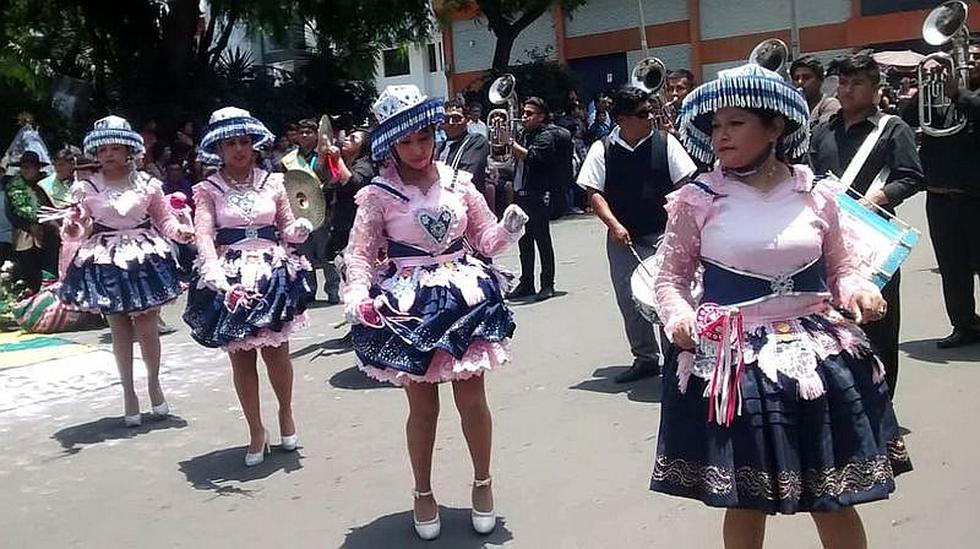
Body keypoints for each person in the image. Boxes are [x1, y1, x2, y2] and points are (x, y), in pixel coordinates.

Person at [651, 62, 912, 549]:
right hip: (735, 364)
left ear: (774, 127)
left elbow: (842, 268)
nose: (720, 136)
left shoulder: (817, 193)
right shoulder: (697, 198)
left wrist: (858, 291)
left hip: (817, 360)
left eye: (736, 123)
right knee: (746, 502)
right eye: (715, 125)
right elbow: (670, 279)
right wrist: (679, 317)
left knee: (832, 496)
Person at [343, 85, 528, 540]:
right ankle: (422, 491)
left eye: (424, 137)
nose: (417, 149)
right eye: (406, 141)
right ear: (390, 143)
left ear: (435, 133)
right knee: (422, 407)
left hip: (463, 295)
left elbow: (484, 241)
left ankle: (483, 483)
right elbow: (360, 254)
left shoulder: (459, 182)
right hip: (410, 306)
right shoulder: (377, 194)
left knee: (472, 400)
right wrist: (357, 295)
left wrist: (508, 230)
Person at [182, 107, 314, 466]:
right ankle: (256, 429)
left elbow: (286, 227)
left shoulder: (273, 181)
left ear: (255, 144)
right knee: (241, 359)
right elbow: (204, 233)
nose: (238, 149)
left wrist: (298, 230)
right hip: (231, 277)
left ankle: (286, 413)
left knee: (277, 354)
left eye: (244, 142)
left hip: (272, 272)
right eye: (229, 143)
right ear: (218, 148)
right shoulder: (207, 189)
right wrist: (211, 270)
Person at [59, 116, 194, 426]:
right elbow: (80, 228)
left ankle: (154, 384)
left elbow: (164, 220)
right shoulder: (85, 187)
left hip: (144, 256)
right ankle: (128, 393)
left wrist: (182, 232)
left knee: (147, 327)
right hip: (106, 258)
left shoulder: (148, 183)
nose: (109, 154)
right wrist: (74, 224)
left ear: (129, 150)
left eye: (116, 148)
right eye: (103, 149)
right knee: (118, 327)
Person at [809, 51, 924, 397]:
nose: (847, 90)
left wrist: (874, 199)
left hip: (873, 241)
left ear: (874, 89)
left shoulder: (892, 129)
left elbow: (912, 176)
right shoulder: (821, 132)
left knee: (879, 327)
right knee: (832, 326)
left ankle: (882, 405)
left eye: (857, 83)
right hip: (829, 242)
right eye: (843, 83)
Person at [577, 86, 697, 383]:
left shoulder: (665, 143)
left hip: (662, 233)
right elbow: (594, 193)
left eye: (650, 111)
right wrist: (614, 225)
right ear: (622, 119)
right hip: (622, 237)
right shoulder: (602, 148)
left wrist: (677, 223)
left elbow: (685, 183)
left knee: (667, 297)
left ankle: (675, 355)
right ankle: (644, 358)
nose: (650, 117)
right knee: (630, 300)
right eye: (643, 113)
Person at [900, 42, 980, 348]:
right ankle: (964, 324)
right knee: (952, 266)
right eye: (968, 58)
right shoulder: (939, 96)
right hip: (939, 197)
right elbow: (906, 116)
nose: (971, 62)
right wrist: (926, 85)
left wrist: (958, 93)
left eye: (977, 59)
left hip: (974, 197)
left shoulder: (969, 98)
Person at [507, 96, 559, 301]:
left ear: (542, 117)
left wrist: (510, 142)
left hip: (537, 194)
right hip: (521, 193)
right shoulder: (523, 133)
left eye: (529, 113)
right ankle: (526, 282)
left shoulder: (545, 136)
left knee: (542, 240)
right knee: (524, 241)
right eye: (524, 112)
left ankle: (547, 284)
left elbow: (534, 158)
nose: (524, 117)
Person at [320, 128, 375, 312]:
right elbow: (329, 186)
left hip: (357, 228)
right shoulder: (345, 164)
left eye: (353, 139)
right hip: (340, 226)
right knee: (347, 275)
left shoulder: (366, 165)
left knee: (359, 276)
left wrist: (338, 160)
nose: (346, 140)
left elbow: (353, 184)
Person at [5, 151, 53, 292]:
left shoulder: (47, 185)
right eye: (23, 167)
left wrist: (42, 224)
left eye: (30, 167)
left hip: (46, 234)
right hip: (23, 235)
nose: (26, 170)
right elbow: (10, 213)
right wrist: (28, 226)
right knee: (27, 268)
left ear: (38, 168)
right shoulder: (13, 187)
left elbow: (54, 207)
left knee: (47, 268)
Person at [438, 99, 493, 212]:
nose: (452, 122)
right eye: (447, 119)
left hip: (467, 207)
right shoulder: (439, 148)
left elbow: (466, 175)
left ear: (467, 120)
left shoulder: (476, 141)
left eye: (457, 118)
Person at [791, 55, 841, 127]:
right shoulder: (792, 109)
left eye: (806, 78)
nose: (800, 82)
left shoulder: (829, 104)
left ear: (820, 80)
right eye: (796, 78)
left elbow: (823, 134)